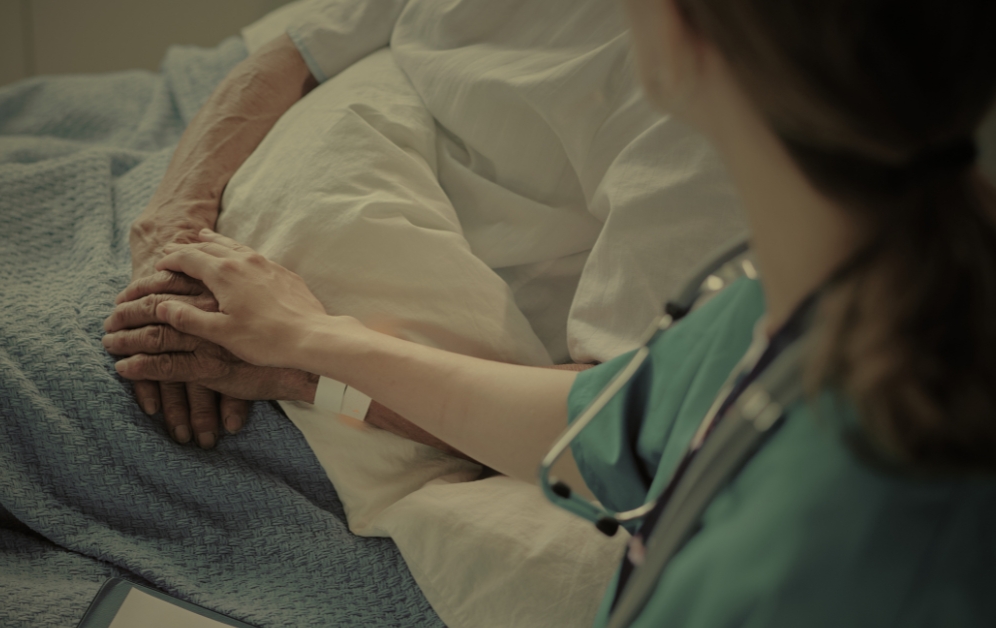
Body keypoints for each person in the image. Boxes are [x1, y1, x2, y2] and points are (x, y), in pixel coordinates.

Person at [104, 0, 996, 624]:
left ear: (684, 37)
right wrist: (311, 343)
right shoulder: (780, 307)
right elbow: (595, 424)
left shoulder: (806, 571)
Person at [107, 0, 747, 451]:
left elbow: (614, 423)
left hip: (361, 381)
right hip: (211, 250)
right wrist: (171, 242)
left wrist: (302, 365)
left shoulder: (712, 120)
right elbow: (297, 49)